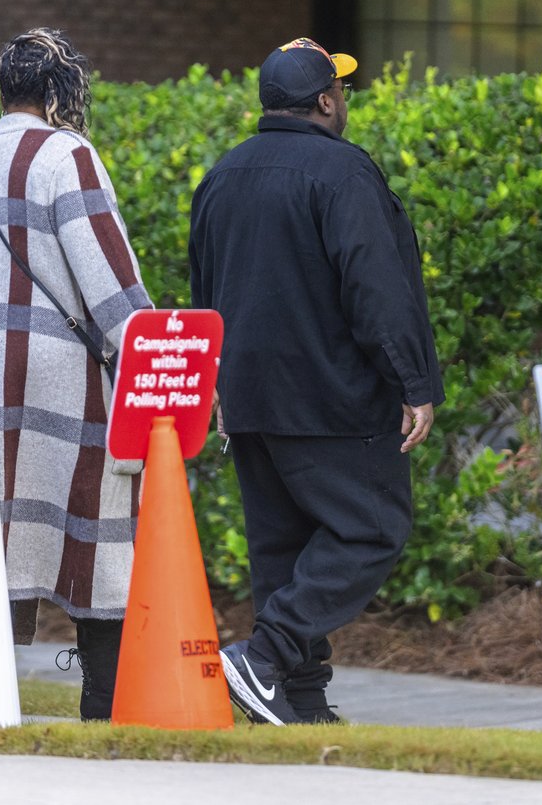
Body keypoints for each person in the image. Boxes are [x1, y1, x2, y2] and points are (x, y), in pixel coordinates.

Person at [190, 38, 444, 725]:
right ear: (326, 101)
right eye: (343, 89)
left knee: (282, 549)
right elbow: (376, 289)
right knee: (373, 528)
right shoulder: (342, 173)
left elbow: (204, 290)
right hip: (334, 399)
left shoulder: (223, 174)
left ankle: (298, 700)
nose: (347, 100)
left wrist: (213, 385)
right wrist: (413, 381)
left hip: (249, 398)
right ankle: (264, 658)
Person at [0, 28, 152, 720]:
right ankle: (102, 705)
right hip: (67, 385)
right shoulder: (68, 156)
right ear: (58, 94)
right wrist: (157, 363)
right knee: (99, 541)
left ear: (3, 91)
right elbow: (112, 287)